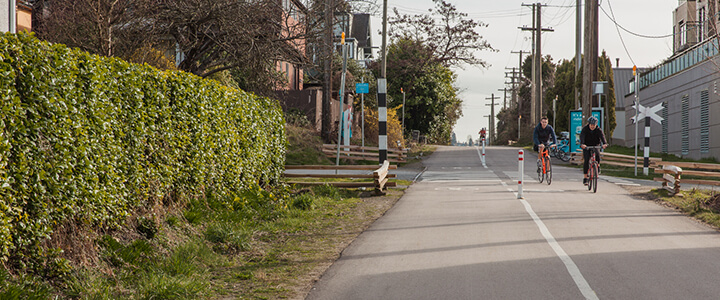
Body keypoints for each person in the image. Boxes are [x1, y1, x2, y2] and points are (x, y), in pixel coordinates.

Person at [580, 116, 608, 185]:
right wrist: (582, 144)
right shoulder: (585, 129)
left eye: (594, 125)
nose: (592, 126)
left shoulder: (598, 130)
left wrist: (604, 143)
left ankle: (597, 166)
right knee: (586, 160)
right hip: (587, 145)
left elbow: (602, 137)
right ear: (589, 124)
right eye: (591, 125)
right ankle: (585, 178)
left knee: (598, 155)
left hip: (596, 144)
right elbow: (582, 137)